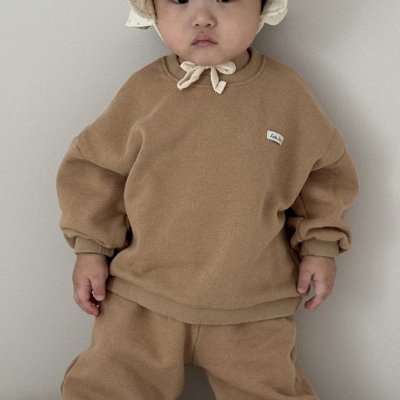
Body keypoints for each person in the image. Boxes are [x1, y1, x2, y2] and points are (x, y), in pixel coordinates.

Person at [56, 0, 359, 398]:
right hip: (142, 298)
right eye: (180, 0)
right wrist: (90, 248)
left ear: (263, 6)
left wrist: (321, 246)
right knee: (105, 388)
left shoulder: (286, 93)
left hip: (254, 306)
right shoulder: (144, 92)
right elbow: (96, 170)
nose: (202, 17)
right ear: (153, 10)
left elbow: (324, 174)